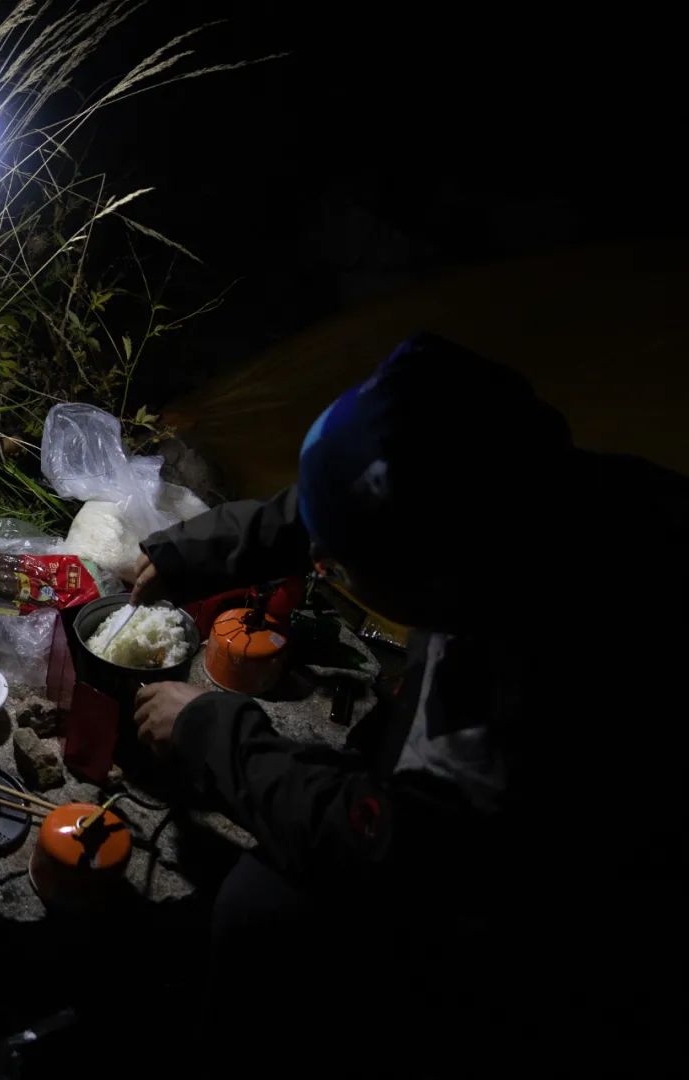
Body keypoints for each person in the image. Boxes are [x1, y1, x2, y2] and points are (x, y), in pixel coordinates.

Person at [129, 333, 686, 1070]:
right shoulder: (515, 482)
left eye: (338, 568)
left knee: (262, 911)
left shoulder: (517, 706)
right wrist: (193, 551)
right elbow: (345, 500)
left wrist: (213, 730)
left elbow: (378, 846)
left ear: (436, 581)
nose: (322, 565)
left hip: (550, 907)